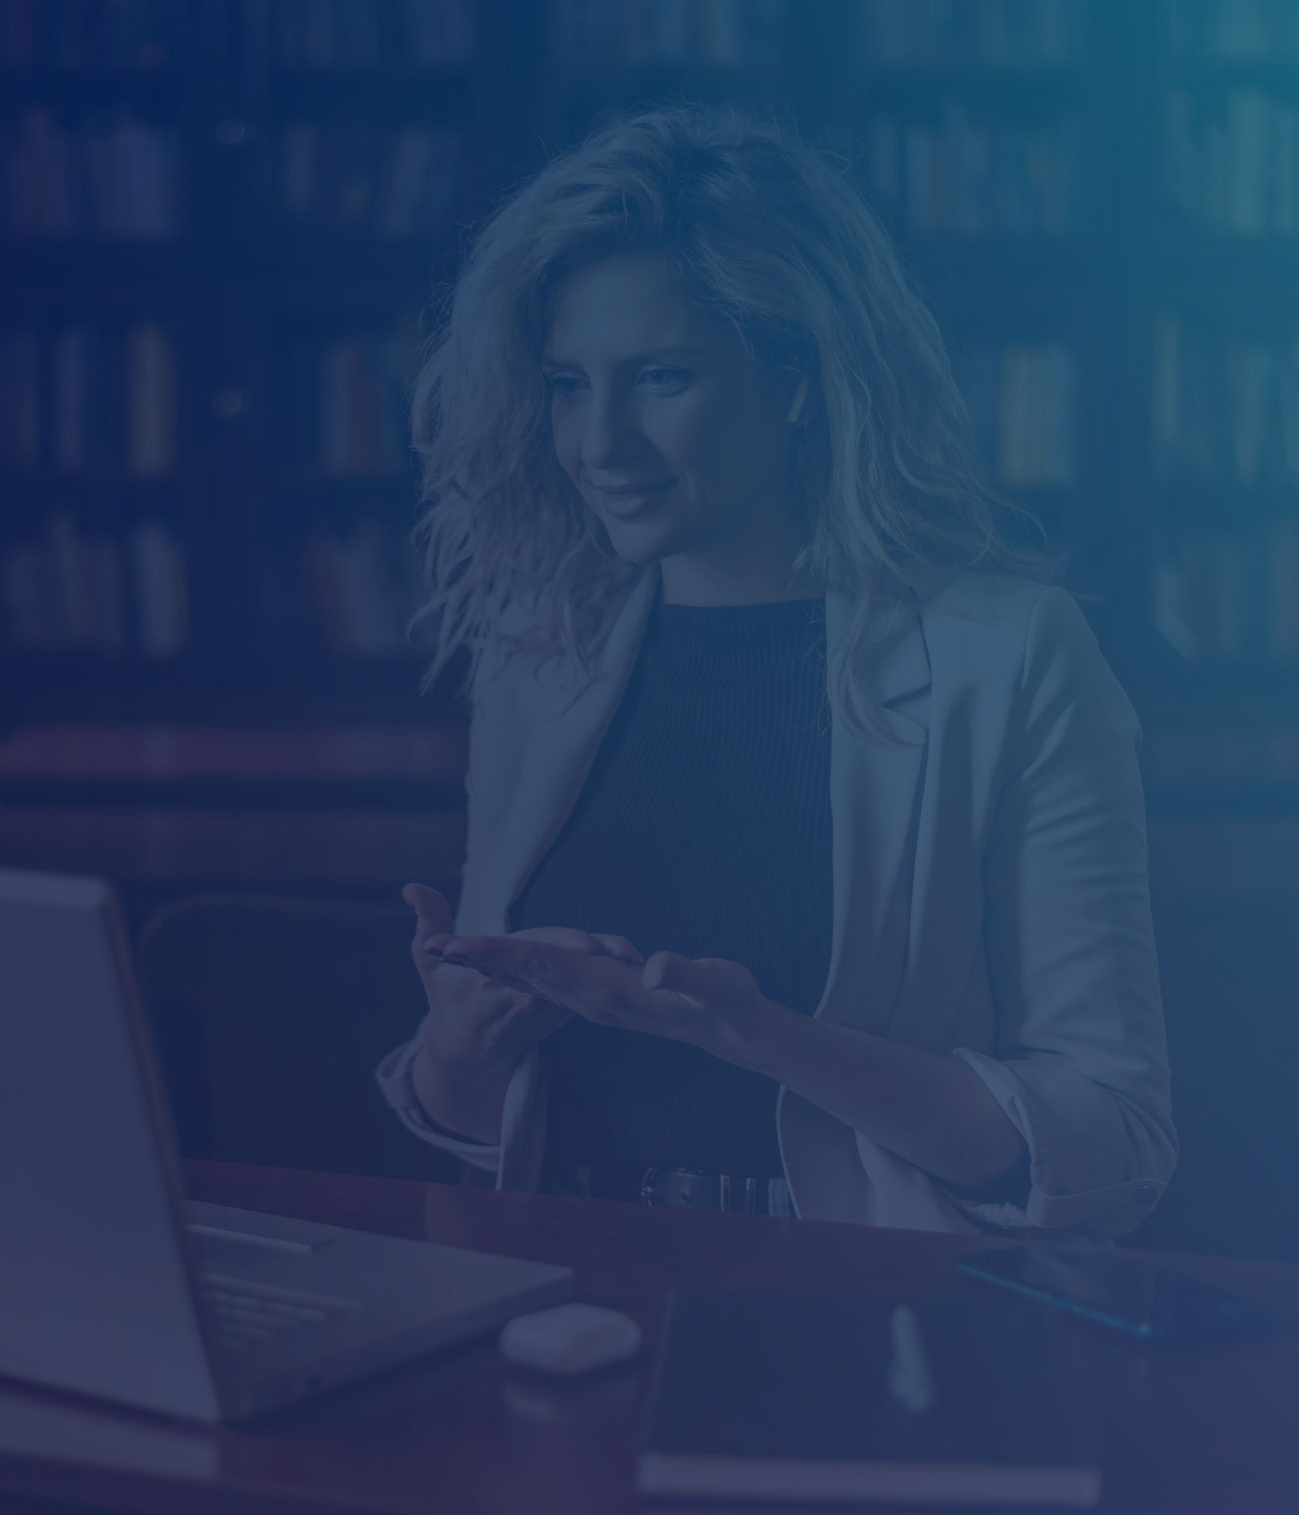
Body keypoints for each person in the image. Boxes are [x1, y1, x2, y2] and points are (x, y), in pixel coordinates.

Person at [374, 104, 1176, 1238]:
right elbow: (473, 1122)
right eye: (566, 385)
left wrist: (757, 1036)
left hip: (861, 1320)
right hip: (561, 1289)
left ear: (795, 379)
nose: (598, 443)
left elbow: (1115, 1140)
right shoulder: (537, 654)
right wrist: (456, 1052)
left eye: (658, 379)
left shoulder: (1011, 657)